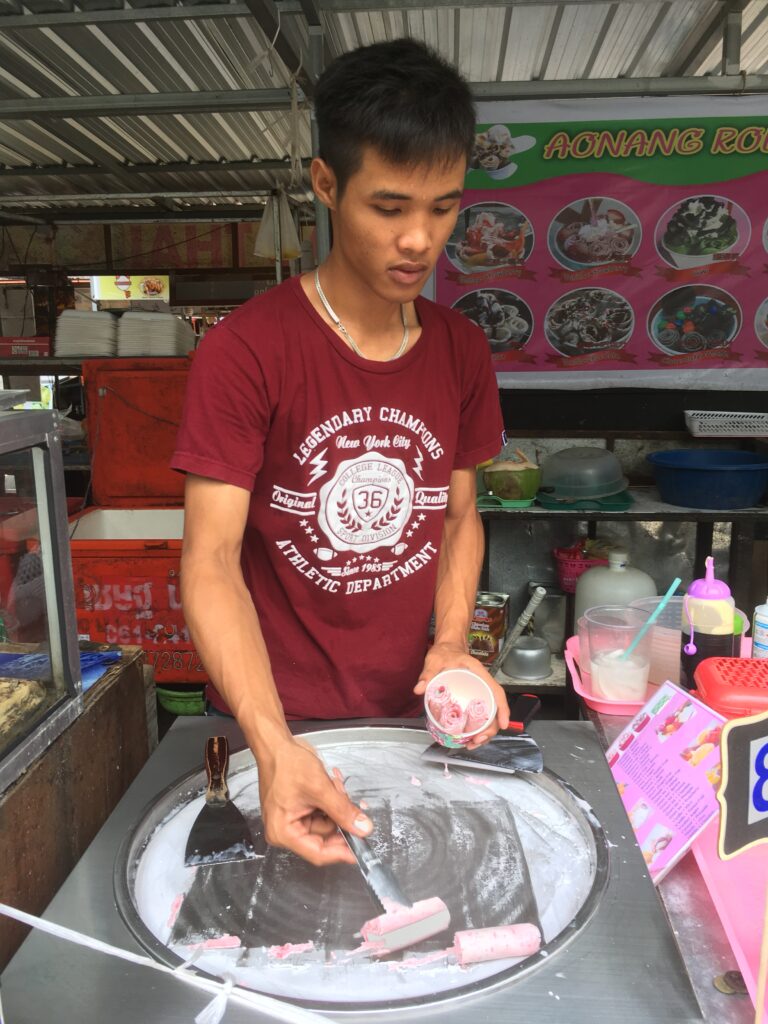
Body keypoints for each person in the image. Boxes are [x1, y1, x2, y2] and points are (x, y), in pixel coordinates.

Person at [172, 37, 508, 869]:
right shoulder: (246, 351)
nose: (420, 240)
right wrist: (272, 742)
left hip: (406, 715)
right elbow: (210, 560)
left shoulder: (461, 349)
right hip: (265, 719)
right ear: (326, 185)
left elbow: (458, 516)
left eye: (443, 208)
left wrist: (453, 643)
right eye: (389, 208)